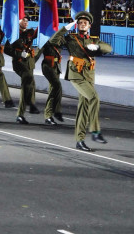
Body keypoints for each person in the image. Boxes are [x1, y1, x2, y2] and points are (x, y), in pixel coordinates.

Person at [49, 11, 112, 152]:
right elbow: (53, 41)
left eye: (85, 23)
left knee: (83, 108)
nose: (82, 24)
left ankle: (80, 140)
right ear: (77, 25)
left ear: (89, 26)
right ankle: (95, 132)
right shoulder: (71, 38)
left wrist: (97, 47)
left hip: (89, 76)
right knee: (94, 97)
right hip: (76, 74)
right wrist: (65, 28)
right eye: (80, 23)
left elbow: (109, 48)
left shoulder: (93, 40)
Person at [6, 15, 39, 124]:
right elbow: (7, 49)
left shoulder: (29, 32)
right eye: (23, 20)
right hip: (19, 62)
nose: (26, 22)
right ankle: (22, 111)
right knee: (27, 83)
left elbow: (36, 34)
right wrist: (20, 53)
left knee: (30, 84)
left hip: (29, 62)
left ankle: (26, 109)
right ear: (18, 21)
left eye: (27, 20)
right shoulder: (14, 34)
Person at [39, 39, 64, 125]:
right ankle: (50, 114)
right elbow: (38, 52)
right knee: (56, 86)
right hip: (48, 66)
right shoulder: (45, 39)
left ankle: (49, 115)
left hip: (56, 66)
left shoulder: (60, 39)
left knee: (53, 90)